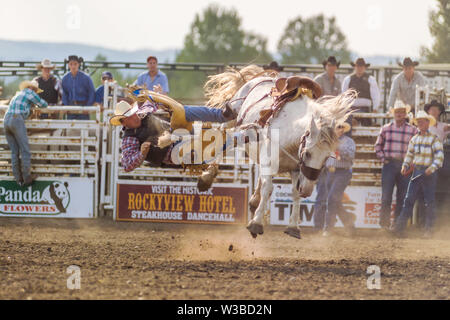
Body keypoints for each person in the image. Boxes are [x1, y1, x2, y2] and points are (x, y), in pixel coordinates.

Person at [109, 100, 236, 172]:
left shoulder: (143, 113)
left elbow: (152, 102)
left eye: (133, 113)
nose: (134, 117)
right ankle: (232, 138)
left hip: (178, 134)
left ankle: (223, 115)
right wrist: (141, 154)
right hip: (174, 153)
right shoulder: (129, 139)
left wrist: (159, 95)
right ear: (123, 122)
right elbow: (127, 165)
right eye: (129, 117)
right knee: (198, 147)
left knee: (183, 111)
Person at [392, 111, 444, 238]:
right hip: (418, 171)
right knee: (409, 199)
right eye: (418, 121)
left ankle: (429, 229)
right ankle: (399, 228)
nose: (420, 123)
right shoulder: (414, 139)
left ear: (428, 123)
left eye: (423, 121)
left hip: (428, 172)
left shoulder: (434, 138)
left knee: (428, 202)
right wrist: (405, 165)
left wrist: (431, 168)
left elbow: (440, 158)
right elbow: (409, 156)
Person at [374, 101, 418, 230]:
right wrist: (384, 159)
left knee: (402, 196)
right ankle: (384, 224)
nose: (399, 114)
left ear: (405, 114)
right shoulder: (386, 128)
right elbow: (377, 146)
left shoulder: (412, 130)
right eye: (397, 112)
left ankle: (397, 225)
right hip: (389, 163)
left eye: (402, 112)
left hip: (404, 165)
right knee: (386, 196)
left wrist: (411, 164)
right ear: (393, 113)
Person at [313, 121, 356, 237]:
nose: (340, 129)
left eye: (342, 127)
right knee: (334, 200)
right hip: (329, 173)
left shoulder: (348, 141)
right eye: (338, 127)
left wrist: (338, 149)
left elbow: (350, 156)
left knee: (331, 198)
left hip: (342, 172)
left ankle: (328, 228)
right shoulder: (327, 142)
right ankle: (349, 224)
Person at [3, 80, 48, 186]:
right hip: (17, 119)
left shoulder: (18, 94)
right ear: (33, 89)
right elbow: (43, 104)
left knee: (14, 151)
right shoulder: (30, 93)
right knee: (25, 150)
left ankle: (18, 179)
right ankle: (27, 178)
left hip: (6, 120)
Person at [342, 58, 381, 126]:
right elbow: (344, 95)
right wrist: (344, 108)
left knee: (366, 130)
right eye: (358, 66)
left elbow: (376, 95)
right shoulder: (348, 79)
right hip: (351, 109)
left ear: (364, 67)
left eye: (361, 66)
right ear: (355, 67)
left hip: (366, 109)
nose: (359, 68)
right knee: (348, 127)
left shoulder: (370, 79)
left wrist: (375, 108)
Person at [61, 55, 95, 120]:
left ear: (78, 64)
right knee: (71, 127)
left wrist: (88, 107)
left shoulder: (86, 78)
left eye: (75, 64)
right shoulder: (65, 78)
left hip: (83, 105)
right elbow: (64, 94)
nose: (73, 66)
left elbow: (91, 92)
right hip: (70, 106)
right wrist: (66, 106)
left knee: (84, 127)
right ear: (68, 65)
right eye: (71, 64)